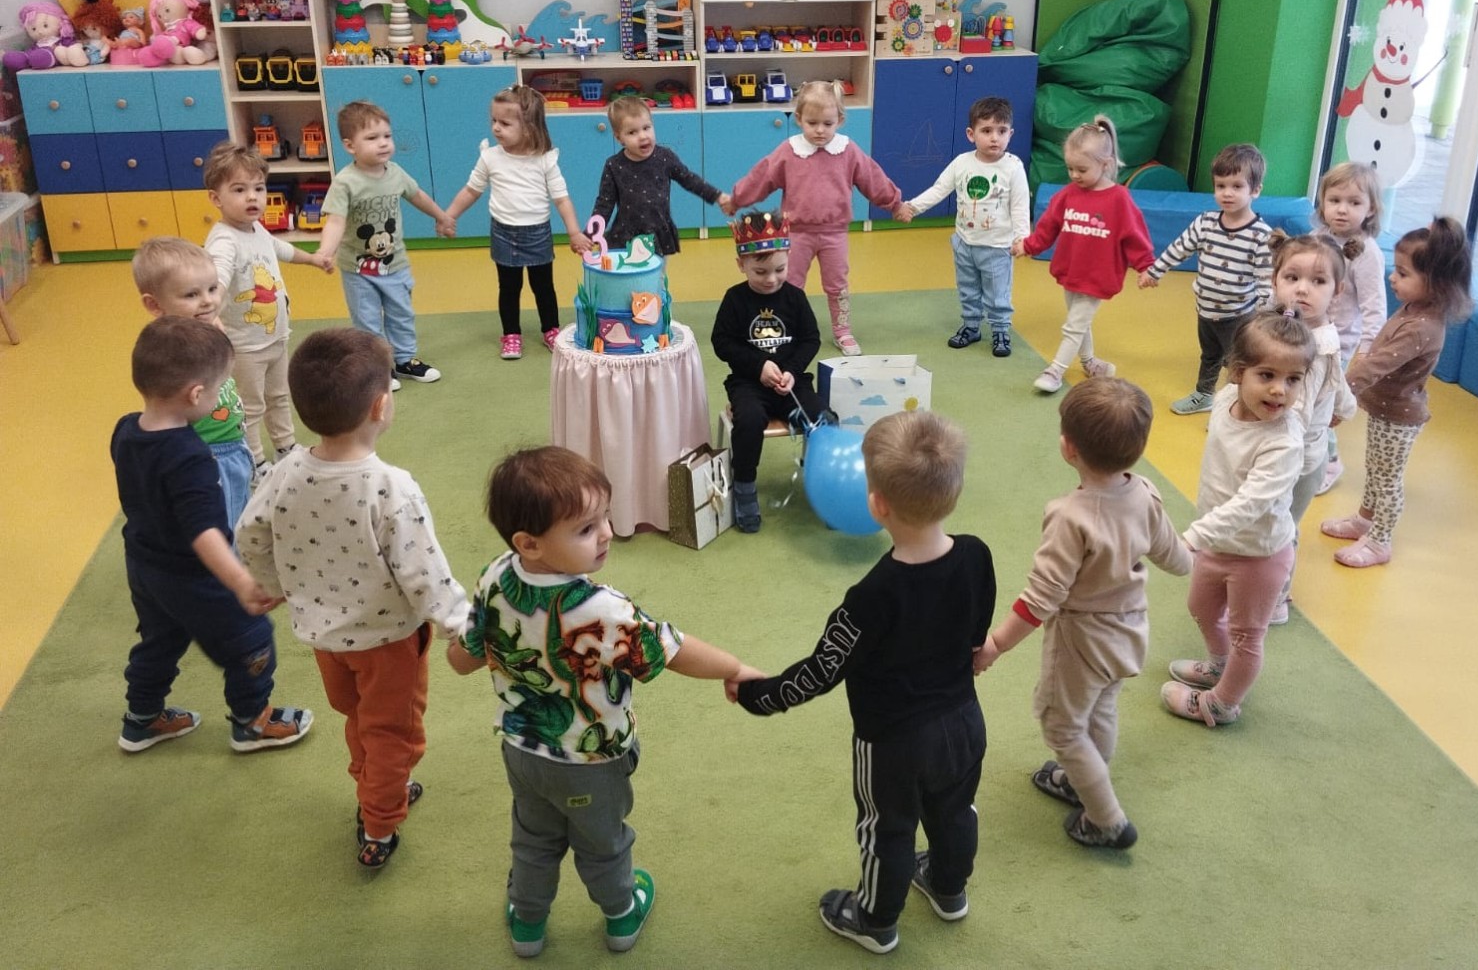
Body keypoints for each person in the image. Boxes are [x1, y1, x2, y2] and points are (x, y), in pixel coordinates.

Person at [447, 447, 759, 958]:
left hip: (523, 751)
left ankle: (527, 925)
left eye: (605, 518)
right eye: (586, 529)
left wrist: (460, 650)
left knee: (533, 839)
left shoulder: (495, 576)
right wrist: (733, 668)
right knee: (602, 843)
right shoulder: (599, 610)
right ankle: (621, 916)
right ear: (530, 543)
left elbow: (464, 657)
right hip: (591, 762)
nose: (608, 533)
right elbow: (670, 649)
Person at [731, 411, 995, 956]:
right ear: (954, 492)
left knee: (887, 829)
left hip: (893, 742)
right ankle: (949, 889)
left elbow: (821, 671)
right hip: (964, 721)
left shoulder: (871, 597)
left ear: (876, 505)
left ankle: (875, 920)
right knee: (955, 809)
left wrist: (757, 694)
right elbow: (977, 628)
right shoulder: (977, 554)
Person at [238, 328, 468, 869]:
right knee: (394, 733)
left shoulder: (284, 470)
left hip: (325, 640)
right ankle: (379, 821)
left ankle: (373, 784)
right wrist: (463, 623)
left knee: (359, 717)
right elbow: (424, 572)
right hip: (387, 641)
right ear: (381, 406)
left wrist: (272, 585)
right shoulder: (390, 487)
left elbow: (249, 533)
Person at [973, 378, 1191, 849]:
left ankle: (1105, 819)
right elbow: (1175, 556)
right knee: (1102, 706)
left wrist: (996, 645)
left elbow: (1042, 597)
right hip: (1129, 630)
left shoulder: (1070, 515)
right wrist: (1195, 554)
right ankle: (1081, 782)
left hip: (1082, 640)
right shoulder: (1144, 491)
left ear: (1068, 447)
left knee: (1063, 725)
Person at [110, 315, 314, 756]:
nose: (227, 394)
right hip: (194, 576)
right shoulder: (191, 457)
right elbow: (203, 533)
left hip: (144, 565)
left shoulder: (126, 429)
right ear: (196, 395)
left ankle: (141, 718)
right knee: (252, 639)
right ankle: (252, 721)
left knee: (159, 640)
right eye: (223, 387)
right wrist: (241, 583)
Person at [1161, 311, 1314, 727]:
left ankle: (1222, 704)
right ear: (1237, 373)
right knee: (1200, 607)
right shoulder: (1227, 399)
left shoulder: (1283, 443)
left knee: (1247, 635)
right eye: (1267, 375)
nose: (1280, 390)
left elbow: (1250, 504)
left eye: (1294, 379)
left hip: (1259, 556)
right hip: (1219, 543)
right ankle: (1219, 664)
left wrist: (1193, 536)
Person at [1320, 217, 1472, 567]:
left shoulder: (1422, 327)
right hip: (1385, 408)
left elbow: (1374, 366)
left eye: (1403, 274)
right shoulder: (1416, 307)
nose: (1392, 278)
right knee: (1374, 469)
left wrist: (1338, 401)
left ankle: (1379, 541)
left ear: (1436, 283)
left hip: (1399, 417)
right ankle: (1365, 520)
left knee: (1387, 480)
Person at [724, 80, 905, 356]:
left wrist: (894, 203)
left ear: (840, 120)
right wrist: (737, 199)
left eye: (827, 123)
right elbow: (762, 177)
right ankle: (786, 326)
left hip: (835, 233)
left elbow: (872, 178)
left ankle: (842, 331)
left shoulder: (847, 150)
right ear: (798, 119)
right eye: (812, 123)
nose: (820, 130)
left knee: (837, 283)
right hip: (796, 233)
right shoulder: (789, 150)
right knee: (789, 283)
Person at [201, 142, 330, 469]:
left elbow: (280, 249)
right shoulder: (224, 239)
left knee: (279, 396)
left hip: (274, 337)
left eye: (259, 188)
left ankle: (285, 447)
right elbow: (217, 274)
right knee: (251, 406)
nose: (253, 197)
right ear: (216, 198)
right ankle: (255, 461)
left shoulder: (255, 228)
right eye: (239, 189)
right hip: (245, 346)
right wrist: (211, 308)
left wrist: (313, 259)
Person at [442, 85, 590, 359]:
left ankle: (551, 329)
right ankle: (511, 334)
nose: (496, 128)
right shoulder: (490, 157)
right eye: (494, 121)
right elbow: (471, 190)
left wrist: (574, 233)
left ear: (529, 128)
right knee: (509, 288)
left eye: (505, 123)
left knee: (543, 287)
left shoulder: (544, 159)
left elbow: (562, 199)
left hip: (538, 233)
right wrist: (449, 215)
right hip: (503, 233)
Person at [316, 100, 454, 386]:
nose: (382, 143)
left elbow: (417, 195)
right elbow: (335, 221)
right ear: (350, 146)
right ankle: (378, 366)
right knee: (367, 320)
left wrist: (441, 216)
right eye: (371, 138)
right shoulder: (345, 182)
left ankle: (404, 360)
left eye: (387, 136)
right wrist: (326, 251)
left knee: (401, 314)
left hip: (395, 263)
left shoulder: (395, 173)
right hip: (358, 269)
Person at [1019, 117, 1155, 394]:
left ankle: (1055, 371)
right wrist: (1029, 245)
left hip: (1098, 275)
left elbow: (1135, 235)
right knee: (1078, 321)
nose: (1074, 175)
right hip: (1072, 270)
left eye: (1082, 169)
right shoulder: (1067, 195)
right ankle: (1091, 363)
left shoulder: (1119, 199)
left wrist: (1145, 266)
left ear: (1105, 164)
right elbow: (1047, 227)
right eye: (1070, 168)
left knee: (1074, 325)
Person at [710, 209, 825, 534]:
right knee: (748, 421)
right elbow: (722, 342)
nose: (771, 279)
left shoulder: (795, 297)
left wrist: (791, 371)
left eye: (780, 269)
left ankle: (821, 483)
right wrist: (758, 365)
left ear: (789, 259)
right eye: (760, 271)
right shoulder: (735, 299)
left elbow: (811, 339)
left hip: (792, 385)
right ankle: (744, 486)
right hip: (748, 385)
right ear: (741, 264)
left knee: (822, 419)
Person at [1138, 144, 1273, 414]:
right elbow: (1180, 248)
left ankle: (1237, 408)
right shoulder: (1206, 222)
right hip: (1206, 309)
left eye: (1237, 186)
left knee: (1238, 363)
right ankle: (1204, 394)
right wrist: (1155, 271)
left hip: (1238, 314)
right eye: (1221, 186)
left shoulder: (1260, 235)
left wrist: (1265, 315)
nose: (1227, 193)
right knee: (1210, 355)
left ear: (1255, 190)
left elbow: (1265, 280)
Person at [130, 237, 253, 529]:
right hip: (210, 450)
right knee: (222, 525)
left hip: (232, 441)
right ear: (154, 304)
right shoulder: (170, 347)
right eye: (191, 295)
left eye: (212, 288)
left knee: (238, 514)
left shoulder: (205, 328)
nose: (208, 301)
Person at [1268, 234, 1358, 624]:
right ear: (1275, 281)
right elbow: (1340, 389)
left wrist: (1340, 407)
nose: (1302, 289)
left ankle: (1276, 598)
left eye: (1318, 281)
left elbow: (1297, 411)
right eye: (1292, 278)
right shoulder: (1288, 326)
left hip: (1298, 455)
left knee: (1281, 525)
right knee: (1274, 520)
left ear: (1337, 291)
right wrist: (1343, 408)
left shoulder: (1317, 345)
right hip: (1296, 448)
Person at [901, 95, 1031, 357]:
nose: (994, 138)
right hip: (964, 243)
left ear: (1010, 134)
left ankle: (1000, 330)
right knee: (968, 289)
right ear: (971, 134)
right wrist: (913, 207)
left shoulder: (1013, 167)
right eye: (987, 131)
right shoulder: (962, 163)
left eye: (1002, 131)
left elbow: (1019, 206)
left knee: (997, 293)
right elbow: (939, 189)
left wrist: (1022, 237)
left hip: (997, 246)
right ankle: (971, 326)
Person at [1312, 161, 1387, 493]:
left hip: (1338, 343)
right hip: (1308, 333)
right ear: (1322, 202)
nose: (1342, 209)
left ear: (1370, 209)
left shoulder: (1366, 253)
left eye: (1354, 202)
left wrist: (1367, 351)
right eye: (1335, 200)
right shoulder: (1318, 238)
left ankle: (1330, 461)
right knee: (1307, 397)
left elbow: (1374, 306)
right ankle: (1306, 451)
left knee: (1324, 405)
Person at [589, 94, 731, 261]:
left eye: (646, 128)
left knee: (656, 276)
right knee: (627, 275)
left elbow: (690, 180)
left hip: (657, 236)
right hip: (625, 237)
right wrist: (591, 234)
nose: (643, 136)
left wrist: (717, 196)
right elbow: (604, 203)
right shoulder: (614, 165)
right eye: (632, 132)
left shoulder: (665, 157)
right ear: (619, 138)